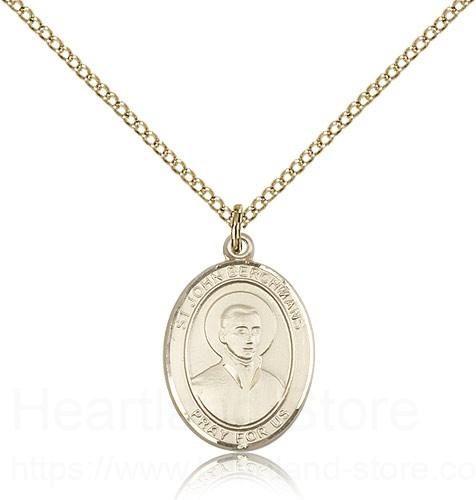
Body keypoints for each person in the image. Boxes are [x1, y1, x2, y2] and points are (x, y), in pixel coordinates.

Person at [192, 304, 284, 425]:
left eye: (255, 332)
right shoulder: (199, 386)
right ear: (223, 336)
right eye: (241, 332)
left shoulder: (275, 386)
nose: (250, 340)